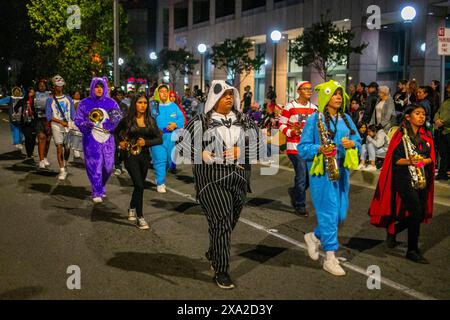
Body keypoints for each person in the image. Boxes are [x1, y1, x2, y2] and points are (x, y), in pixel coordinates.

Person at [176, 80, 260, 289]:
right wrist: (200, 153)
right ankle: (221, 269)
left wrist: (242, 151)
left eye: (231, 94)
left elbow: (261, 147)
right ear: (215, 99)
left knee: (229, 221)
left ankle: (215, 249)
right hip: (211, 181)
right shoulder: (200, 121)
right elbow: (181, 145)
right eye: (224, 95)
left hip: (239, 180)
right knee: (222, 221)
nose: (229, 98)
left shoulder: (245, 120)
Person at [299, 80, 361, 276]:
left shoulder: (347, 119)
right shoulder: (314, 120)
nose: (338, 97)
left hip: (342, 172)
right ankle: (330, 257)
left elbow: (358, 141)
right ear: (326, 96)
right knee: (328, 212)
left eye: (340, 94)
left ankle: (314, 236)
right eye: (334, 94)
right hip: (322, 174)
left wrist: (353, 144)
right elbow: (303, 148)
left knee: (340, 215)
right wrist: (320, 148)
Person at [368, 105, 435, 264]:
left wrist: (422, 161)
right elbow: (395, 160)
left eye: (423, 114)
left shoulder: (426, 135)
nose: (421, 117)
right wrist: (411, 161)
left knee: (419, 213)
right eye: (417, 113)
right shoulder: (400, 135)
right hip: (403, 177)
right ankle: (412, 250)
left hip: (421, 177)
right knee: (416, 209)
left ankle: (394, 230)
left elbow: (430, 158)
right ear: (407, 117)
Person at [116, 93, 162, 229]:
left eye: (145, 103)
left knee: (139, 185)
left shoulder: (150, 120)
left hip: (145, 156)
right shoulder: (127, 120)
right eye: (140, 102)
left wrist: (146, 142)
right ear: (134, 104)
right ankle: (140, 217)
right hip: (130, 156)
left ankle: (131, 207)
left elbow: (159, 139)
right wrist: (121, 143)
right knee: (140, 185)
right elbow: (115, 132)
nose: (142, 105)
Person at [75, 77, 122, 203]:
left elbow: (118, 117)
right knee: (94, 165)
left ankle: (100, 186)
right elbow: (78, 120)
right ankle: (96, 191)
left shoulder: (111, 103)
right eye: (96, 86)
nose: (99, 89)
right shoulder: (84, 103)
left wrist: (110, 125)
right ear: (92, 88)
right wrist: (86, 124)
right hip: (91, 139)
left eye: (101, 86)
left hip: (108, 139)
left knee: (108, 167)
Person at [279, 81, 317, 216]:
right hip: (294, 147)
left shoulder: (314, 108)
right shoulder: (290, 106)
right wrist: (291, 132)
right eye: (306, 89)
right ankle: (300, 205)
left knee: (308, 178)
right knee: (301, 176)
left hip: (309, 148)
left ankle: (295, 192)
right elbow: (281, 124)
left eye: (310, 89)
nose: (309, 91)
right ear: (298, 91)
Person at [150, 84, 185, 193]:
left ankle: (160, 175)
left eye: (166, 91)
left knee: (169, 162)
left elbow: (182, 119)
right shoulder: (153, 106)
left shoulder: (173, 105)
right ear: (157, 93)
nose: (164, 93)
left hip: (171, 138)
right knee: (160, 159)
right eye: (161, 91)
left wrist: (175, 124)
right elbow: (149, 121)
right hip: (157, 137)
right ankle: (160, 182)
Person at [45, 75, 75, 180]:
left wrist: (73, 124)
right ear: (54, 86)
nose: (60, 87)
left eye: (61, 85)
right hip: (56, 126)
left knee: (67, 148)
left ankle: (65, 163)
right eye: (57, 86)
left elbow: (73, 114)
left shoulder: (68, 98)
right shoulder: (49, 100)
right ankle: (62, 169)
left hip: (68, 126)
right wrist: (61, 122)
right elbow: (49, 116)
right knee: (59, 147)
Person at [14, 88, 37, 161]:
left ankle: (31, 152)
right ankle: (29, 154)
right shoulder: (23, 100)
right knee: (28, 138)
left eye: (33, 92)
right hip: (25, 122)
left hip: (34, 122)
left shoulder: (35, 101)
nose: (32, 94)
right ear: (27, 93)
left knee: (33, 139)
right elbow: (15, 107)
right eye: (30, 92)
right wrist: (18, 113)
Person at [35, 79, 52, 168]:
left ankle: (45, 157)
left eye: (43, 85)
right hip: (38, 120)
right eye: (40, 85)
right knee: (41, 138)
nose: (42, 86)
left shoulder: (50, 94)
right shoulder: (34, 94)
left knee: (48, 140)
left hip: (49, 120)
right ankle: (41, 160)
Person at [112, 88, 129, 175]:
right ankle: (117, 166)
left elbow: (127, 118)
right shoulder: (110, 105)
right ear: (114, 96)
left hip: (122, 131)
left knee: (123, 150)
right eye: (118, 95)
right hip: (113, 131)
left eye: (121, 95)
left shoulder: (124, 106)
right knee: (115, 149)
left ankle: (119, 163)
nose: (120, 96)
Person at [434, 96, 450, 180]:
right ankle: (442, 173)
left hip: (447, 129)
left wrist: (442, 121)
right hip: (443, 131)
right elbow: (438, 112)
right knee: (443, 154)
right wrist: (437, 120)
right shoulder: (446, 101)